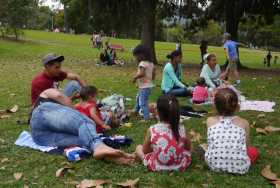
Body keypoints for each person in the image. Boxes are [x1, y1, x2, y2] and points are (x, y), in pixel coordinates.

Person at [30, 88, 135, 165]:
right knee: (85, 121)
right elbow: (59, 96)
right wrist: (78, 115)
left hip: (39, 136)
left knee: (83, 139)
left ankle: (108, 155)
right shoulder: (50, 91)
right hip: (42, 111)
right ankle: (100, 147)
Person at [205, 88, 259, 174]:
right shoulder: (244, 123)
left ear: (214, 106)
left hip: (214, 164)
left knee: (206, 147)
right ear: (237, 106)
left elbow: (210, 143)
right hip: (241, 166)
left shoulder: (209, 121)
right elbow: (247, 145)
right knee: (253, 151)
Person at [135, 95, 192, 171]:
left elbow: (145, 151)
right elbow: (188, 148)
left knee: (138, 148)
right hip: (180, 165)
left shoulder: (152, 130)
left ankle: (144, 160)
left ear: (157, 112)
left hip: (157, 166)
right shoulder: (182, 128)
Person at [132, 44, 155, 121]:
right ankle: (135, 111)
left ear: (141, 55)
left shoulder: (142, 63)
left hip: (144, 87)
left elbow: (142, 74)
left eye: (136, 56)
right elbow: (153, 74)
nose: (136, 58)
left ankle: (146, 118)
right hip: (147, 86)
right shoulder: (151, 63)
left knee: (143, 103)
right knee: (139, 98)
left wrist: (135, 78)